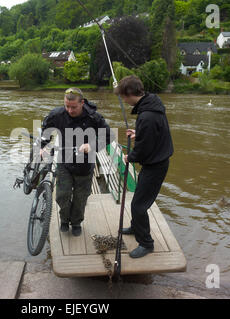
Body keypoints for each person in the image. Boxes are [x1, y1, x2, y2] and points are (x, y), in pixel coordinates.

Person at [40, 88, 115, 236]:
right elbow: (45, 130)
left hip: (85, 164)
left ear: (82, 103)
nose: (69, 110)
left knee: (81, 197)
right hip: (64, 161)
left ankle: (76, 222)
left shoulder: (94, 118)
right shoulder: (57, 114)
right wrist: (43, 147)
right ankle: (64, 220)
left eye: (73, 107)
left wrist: (91, 146)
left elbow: (109, 136)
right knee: (63, 194)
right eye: (67, 106)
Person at [114, 75, 174, 258]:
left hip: (155, 165)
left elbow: (142, 150)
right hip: (157, 161)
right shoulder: (152, 105)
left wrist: (129, 157)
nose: (123, 100)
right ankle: (135, 227)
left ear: (131, 93)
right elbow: (152, 133)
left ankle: (146, 244)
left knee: (138, 205)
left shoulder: (146, 116)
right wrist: (138, 132)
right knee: (139, 200)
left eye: (124, 96)